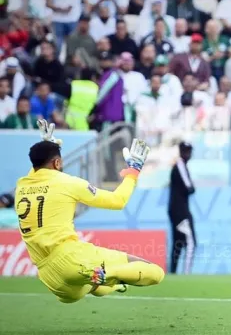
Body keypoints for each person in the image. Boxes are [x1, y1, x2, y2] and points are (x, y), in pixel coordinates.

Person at [15, 121, 164, 303]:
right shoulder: (68, 183)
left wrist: (51, 146)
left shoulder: (21, 187)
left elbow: (40, 169)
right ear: (57, 162)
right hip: (71, 260)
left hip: (52, 280)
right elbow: (118, 201)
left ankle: (110, 281)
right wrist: (134, 170)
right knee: (155, 272)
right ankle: (106, 274)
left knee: (93, 285)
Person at [168, 142, 196, 274]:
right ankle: (186, 273)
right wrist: (191, 188)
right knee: (190, 243)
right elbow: (189, 187)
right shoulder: (180, 165)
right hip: (181, 211)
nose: (188, 154)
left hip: (175, 209)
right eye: (186, 151)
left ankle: (173, 272)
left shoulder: (179, 166)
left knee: (177, 243)